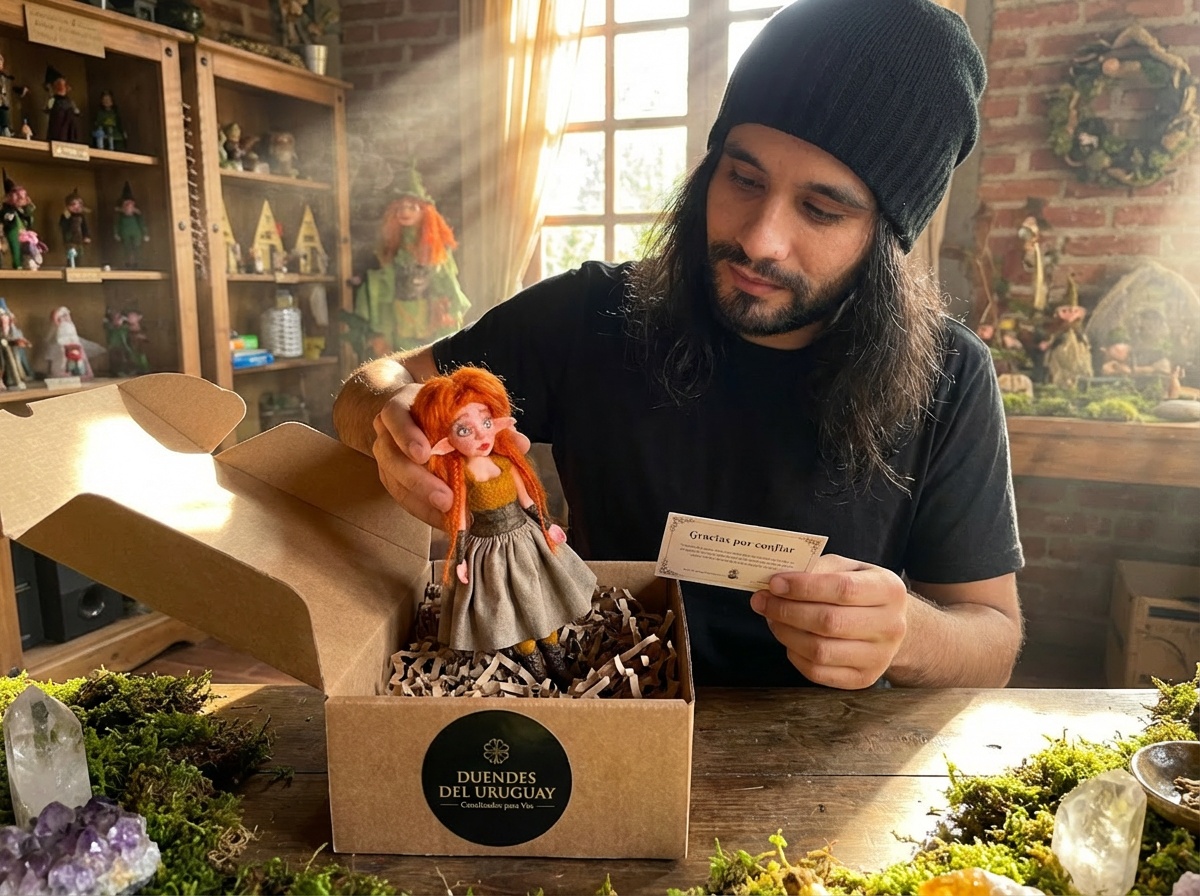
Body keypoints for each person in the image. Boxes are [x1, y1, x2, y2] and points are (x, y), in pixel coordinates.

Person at [333, 0, 1025, 690]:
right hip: (600, 716)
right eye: (743, 178)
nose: (758, 238)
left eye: (821, 209)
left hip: (830, 769)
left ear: (888, 237)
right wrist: (389, 409)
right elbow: (373, 385)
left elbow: (991, 637)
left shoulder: (949, 373)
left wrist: (909, 633)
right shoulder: (590, 312)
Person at [411, 366, 596, 684]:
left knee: (538, 599)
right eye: (464, 430)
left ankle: (556, 661)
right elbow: (461, 521)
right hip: (489, 553)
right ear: (444, 441)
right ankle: (535, 667)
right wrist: (461, 559)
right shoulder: (462, 476)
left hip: (525, 541)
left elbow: (527, 501)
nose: (482, 435)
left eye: (485, 423)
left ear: (497, 422)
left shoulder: (506, 463)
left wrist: (546, 525)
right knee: (508, 609)